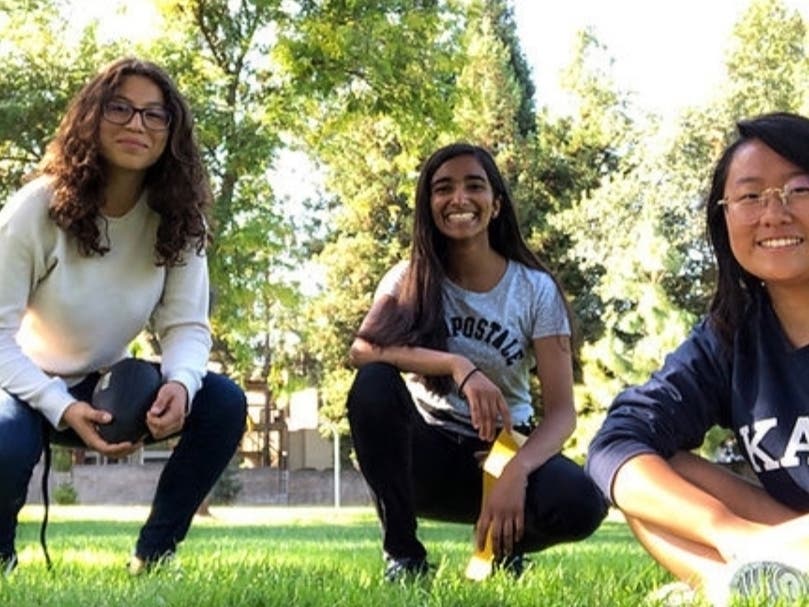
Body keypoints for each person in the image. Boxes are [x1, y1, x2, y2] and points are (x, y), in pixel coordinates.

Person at [0, 57, 247, 575]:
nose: (137, 124)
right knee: (6, 434)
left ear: (171, 133)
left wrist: (180, 384)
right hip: (16, 384)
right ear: (91, 118)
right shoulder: (36, 208)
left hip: (99, 387)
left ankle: (153, 556)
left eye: (155, 115)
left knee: (221, 400)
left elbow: (185, 326)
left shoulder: (180, 220)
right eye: (121, 108)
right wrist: (57, 406)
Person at [346, 142, 607, 581]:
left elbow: (562, 414)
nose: (459, 199)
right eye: (442, 189)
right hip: (426, 454)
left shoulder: (534, 290)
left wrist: (516, 471)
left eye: (474, 186)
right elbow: (362, 349)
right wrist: (457, 366)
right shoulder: (409, 277)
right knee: (373, 383)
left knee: (583, 502)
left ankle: (504, 543)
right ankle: (404, 557)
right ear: (429, 206)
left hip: (504, 450)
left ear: (496, 204)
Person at [586, 112, 809, 605]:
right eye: (750, 196)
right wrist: (735, 535)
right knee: (654, 475)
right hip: (783, 536)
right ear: (724, 218)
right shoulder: (729, 338)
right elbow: (616, 444)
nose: (775, 213)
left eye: (800, 189)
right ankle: (735, 584)